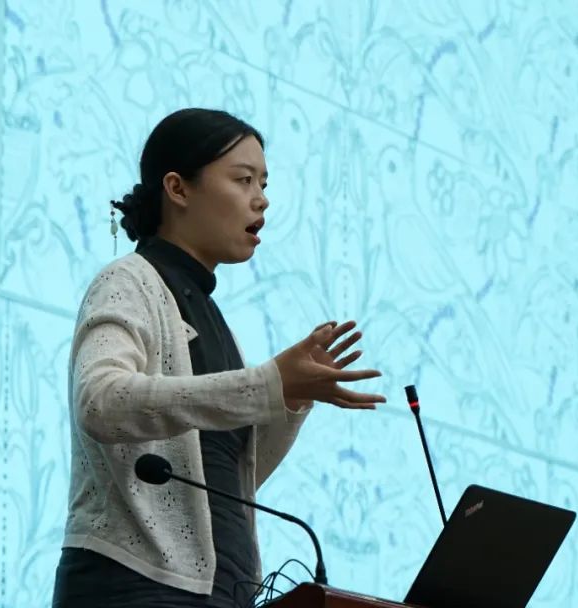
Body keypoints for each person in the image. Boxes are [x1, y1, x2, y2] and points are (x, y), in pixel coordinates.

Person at [51, 108, 387, 607]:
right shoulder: (128, 281)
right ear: (178, 189)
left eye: (264, 183)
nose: (262, 199)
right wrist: (266, 384)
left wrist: (289, 399)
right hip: (133, 588)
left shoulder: (214, 319)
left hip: (226, 592)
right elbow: (100, 402)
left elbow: (226, 480)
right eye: (243, 179)